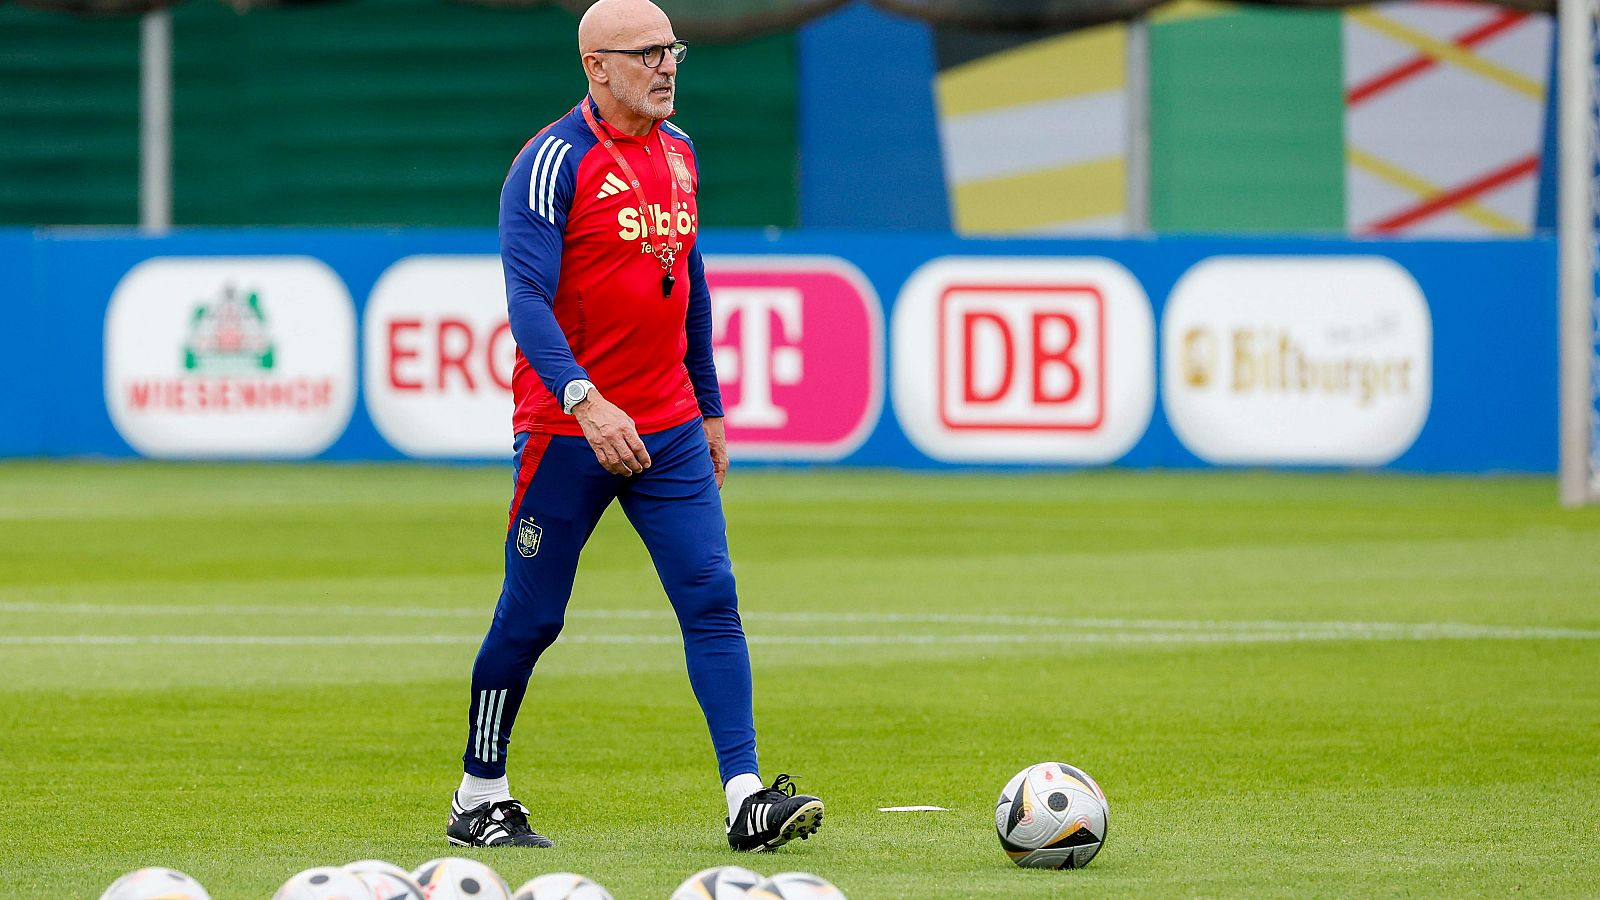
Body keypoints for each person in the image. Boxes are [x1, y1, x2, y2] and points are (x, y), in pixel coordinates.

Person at [445, 0, 824, 853]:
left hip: (669, 428)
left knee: (712, 601)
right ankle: (479, 794)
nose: (667, 66)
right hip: (568, 431)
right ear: (597, 66)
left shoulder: (682, 152)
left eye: (673, 50)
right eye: (648, 53)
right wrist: (585, 397)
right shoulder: (551, 162)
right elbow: (526, 303)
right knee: (532, 617)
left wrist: (712, 407)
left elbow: (687, 286)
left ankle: (745, 797)